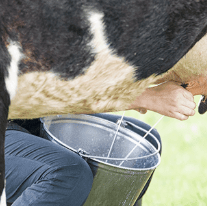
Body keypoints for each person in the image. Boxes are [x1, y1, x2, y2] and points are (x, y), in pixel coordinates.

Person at [5, 81, 196, 206]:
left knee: (143, 142)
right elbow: (31, 90)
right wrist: (144, 96)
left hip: (32, 118)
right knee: (69, 172)